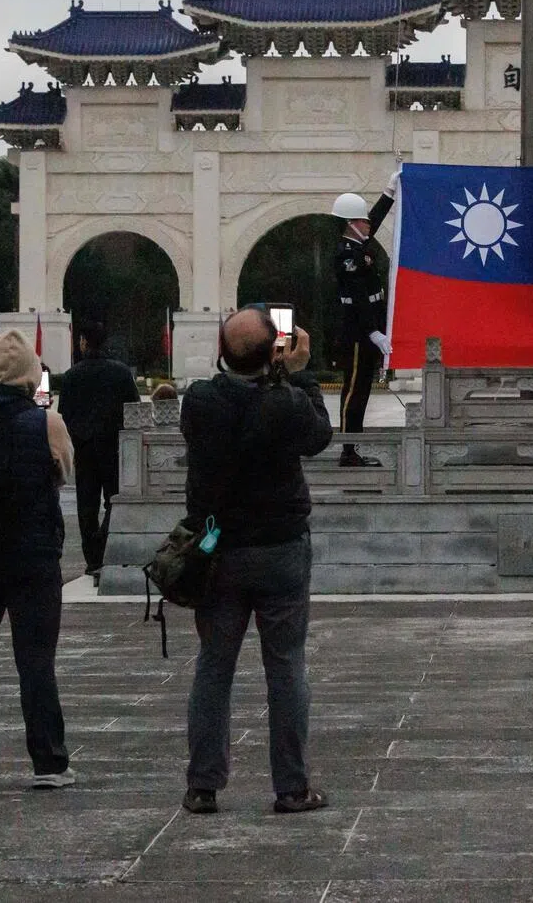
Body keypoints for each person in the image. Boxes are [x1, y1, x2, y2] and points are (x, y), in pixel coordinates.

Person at [179, 306, 333, 814]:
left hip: (219, 550)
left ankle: (203, 784)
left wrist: (271, 371)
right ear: (274, 352)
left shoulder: (199, 402)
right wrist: (298, 372)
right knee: (286, 667)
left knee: (214, 667)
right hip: (281, 547)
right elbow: (319, 437)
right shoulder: (286, 402)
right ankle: (291, 786)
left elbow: (230, 403)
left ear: (220, 353)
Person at [0, 329, 77, 788]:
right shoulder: (47, 422)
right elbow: (62, 473)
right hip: (33, 555)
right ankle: (48, 762)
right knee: (35, 661)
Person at [57, 319, 140, 575]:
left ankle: (93, 560)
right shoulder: (121, 373)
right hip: (115, 447)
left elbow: (64, 414)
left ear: (83, 342)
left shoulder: (72, 376)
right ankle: (104, 543)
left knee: (86, 506)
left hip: (84, 448)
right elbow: (134, 410)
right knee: (114, 500)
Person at [332, 170, 399, 466]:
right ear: (351, 224)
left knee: (363, 388)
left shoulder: (359, 246)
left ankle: (353, 446)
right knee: (354, 389)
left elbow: (375, 218)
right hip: (358, 331)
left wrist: (389, 192)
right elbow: (358, 297)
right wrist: (373, 332)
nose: (368, 224)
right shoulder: (347, 255)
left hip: (368, 327)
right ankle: (348, 449)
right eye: (363, 221)